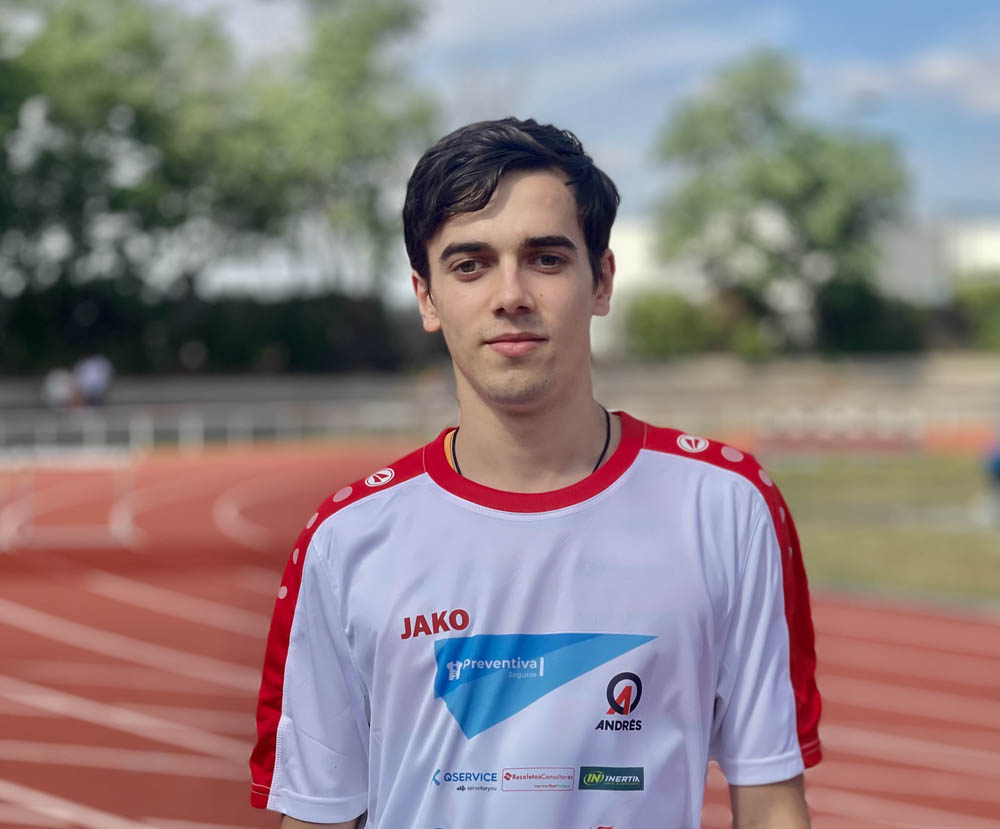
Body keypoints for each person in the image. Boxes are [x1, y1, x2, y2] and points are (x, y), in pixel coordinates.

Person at [250, 118, 822, 828]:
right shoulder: (347, 541)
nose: (511, 294)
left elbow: (770, 804)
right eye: (470, 265)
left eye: (545, 258)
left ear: (601, 280)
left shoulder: (726, 506)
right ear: (426, 297)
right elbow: (318, 815)